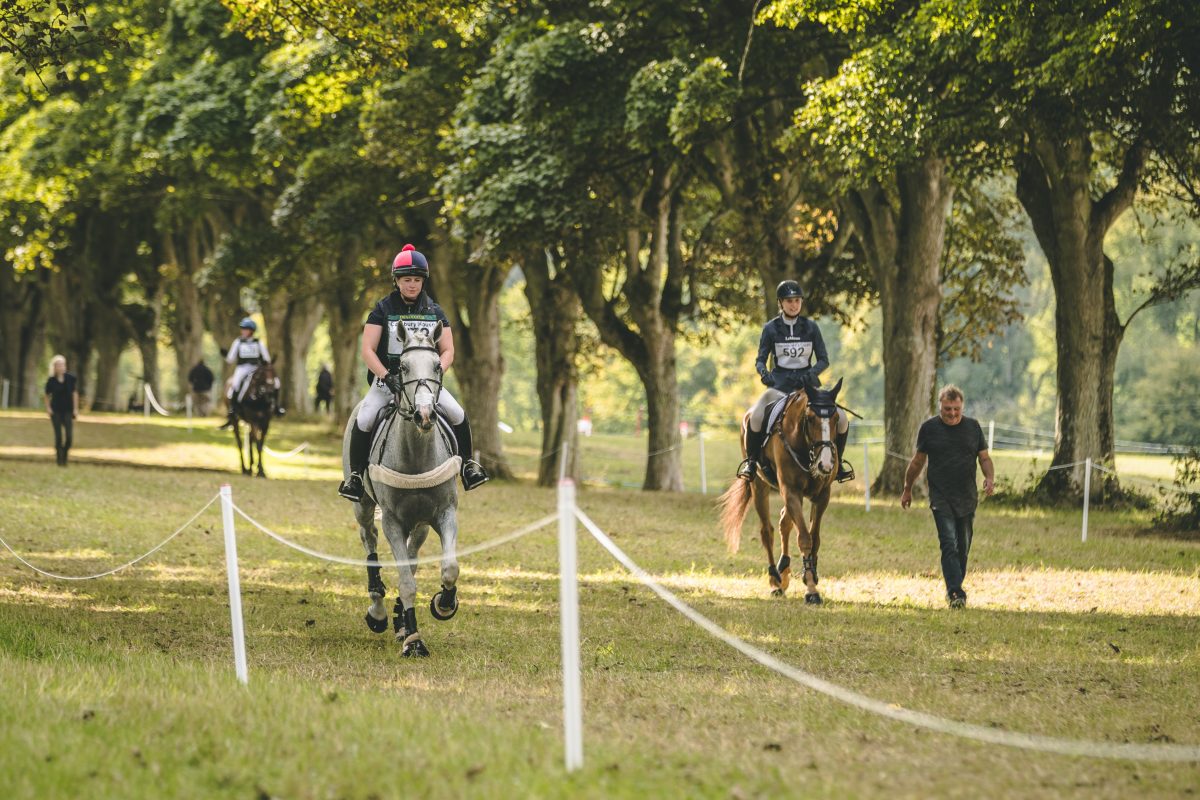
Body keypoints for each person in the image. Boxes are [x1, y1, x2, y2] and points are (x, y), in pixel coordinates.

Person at [337, 243, 489, 500]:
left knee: (457, 413)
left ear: (423, 281)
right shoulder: (382, 310)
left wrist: (437, 371)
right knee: (364, 418)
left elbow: (448, 350)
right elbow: (367, 350)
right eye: (407, 279)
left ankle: (467, 466)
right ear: (396, 281)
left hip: (425, 383)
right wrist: (386, 376)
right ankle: (355, 477)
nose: (412, 285)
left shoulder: (434, 311)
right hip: (388, 382)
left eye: (417, 280)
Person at [736, 280, 853, 482]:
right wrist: (764, 373)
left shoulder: (811, 327)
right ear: (781, 303)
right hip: (779, 387)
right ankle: (751, 462)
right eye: (789, 301)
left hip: (807, 388)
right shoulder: (771, 329)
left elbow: (823, 359)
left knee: (841, 418)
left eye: (797, 300)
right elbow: (760, 360)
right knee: (755, 416)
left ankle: (839, 464)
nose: (794, 305)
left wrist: (811, 373)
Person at [900, 385, 995, 609]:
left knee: (963, 546)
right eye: (947, 409)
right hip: (941, 496)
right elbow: (917, 462)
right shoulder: (929, 429)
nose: (952, 413)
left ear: (962, 407)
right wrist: (907, 488)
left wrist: (989, 477)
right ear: (940, 407)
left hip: (967, 497)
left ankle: (955, 584)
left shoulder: (973, 427)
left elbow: (984, 458)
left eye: (956, 409)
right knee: (948, 543)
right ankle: (955, 591)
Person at [219, 317, 283, 429]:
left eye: (245, 329)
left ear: (251, 331)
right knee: (235, 385)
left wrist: (266, 364)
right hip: (242, 368)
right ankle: (232, 410)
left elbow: (266, 358)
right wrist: (225, 354)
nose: (243, 331)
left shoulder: (258, 343)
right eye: (242, 329)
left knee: (276, 383)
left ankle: (277, 407)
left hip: (256, 369)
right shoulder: (238, 342)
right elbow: (230, 358)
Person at [44, 354, 79, 467]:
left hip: (68, 410)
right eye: (58, 365)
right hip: (56, 411)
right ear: (54, 367)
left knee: (69, 437)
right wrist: (48, 408)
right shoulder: (51, 381)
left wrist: (75, 409)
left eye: (62, 364)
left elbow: (74, 394)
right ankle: (60, 460)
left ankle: (64, 455)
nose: (61, 367)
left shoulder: (70, 379)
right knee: (58, 436)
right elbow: (46, 395)